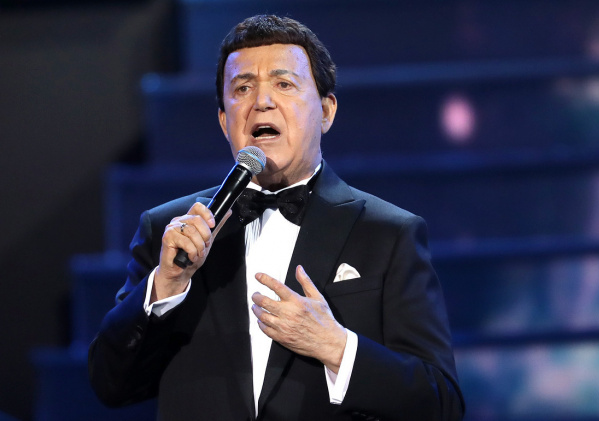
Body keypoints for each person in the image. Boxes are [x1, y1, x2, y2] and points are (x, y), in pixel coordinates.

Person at [88, 14, 464, 421]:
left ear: (326, 111)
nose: (262, 102)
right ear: (224, 121)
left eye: (284, 84)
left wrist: (337, 348)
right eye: (243, 88)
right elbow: (111, 385)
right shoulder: (170, 233)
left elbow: (439, 403)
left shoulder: (388, 234)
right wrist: (167, 284)